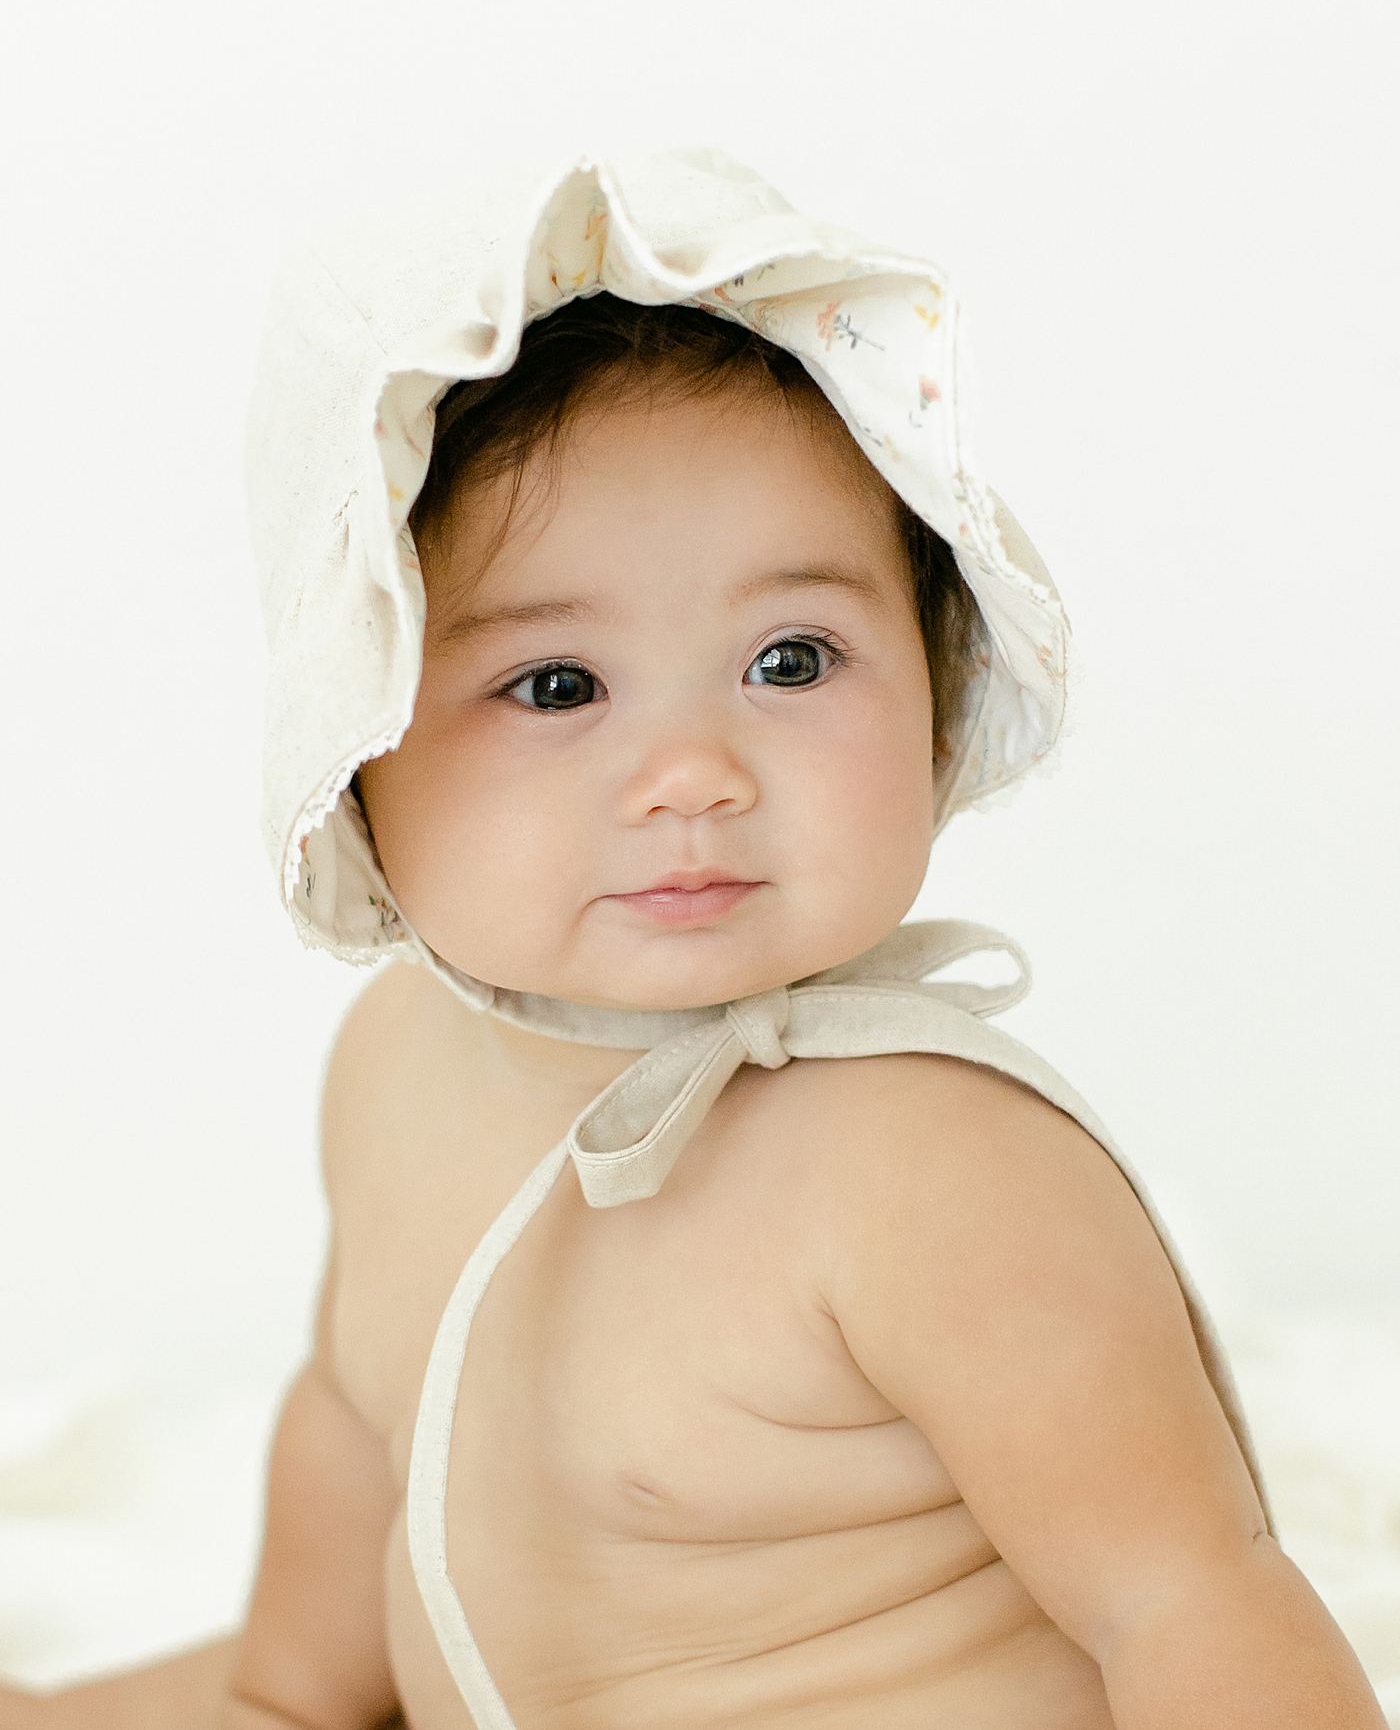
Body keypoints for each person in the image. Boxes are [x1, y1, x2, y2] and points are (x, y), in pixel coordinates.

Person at [3, 149, 1382, 1729]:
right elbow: (356, 1421)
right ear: (357, 741)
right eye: (557, 685)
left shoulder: (936, 1166)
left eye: (792, 657)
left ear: (934, 675)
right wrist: (281, 1697)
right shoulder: (401, 1058)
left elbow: (1187, 1593)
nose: (693, 776)